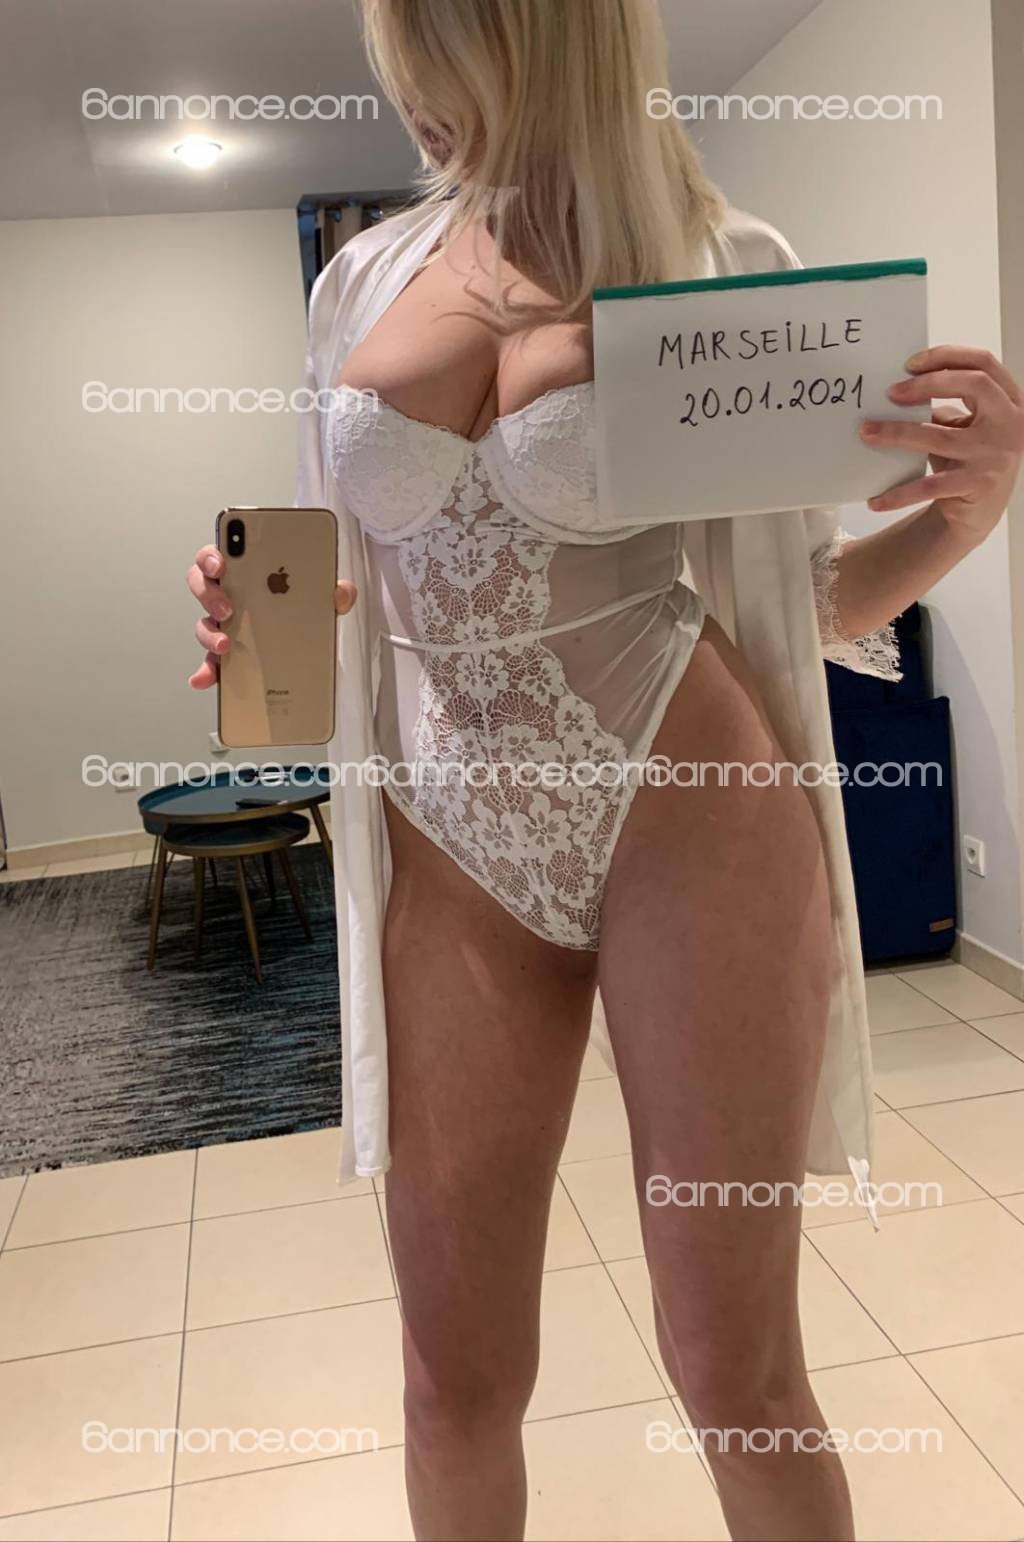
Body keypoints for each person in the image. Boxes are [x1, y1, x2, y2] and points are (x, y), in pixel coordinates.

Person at [187, 3, 1024, 1537]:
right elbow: (332, 570)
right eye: (403, 57)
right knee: (448, 1374)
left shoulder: (719, 267)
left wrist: (966, 516)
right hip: (452, 837)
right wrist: (258, 610)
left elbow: (807, 600)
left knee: (736, 1367)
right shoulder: (358, 282)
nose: (417, 104)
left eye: (447, 59)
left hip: (689, 813)